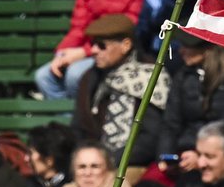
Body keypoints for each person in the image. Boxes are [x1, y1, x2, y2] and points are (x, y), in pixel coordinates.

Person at [72, 12, 169, 166]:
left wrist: (111, 161)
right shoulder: (90, 78)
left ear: (126, 45)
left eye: (101, 45)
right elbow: (79, 128)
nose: (94, 50)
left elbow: (151, 136)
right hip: (94, 165)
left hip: (134, 165)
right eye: (93, 44)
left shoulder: (150, 76)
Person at [160, 33, 224, 162]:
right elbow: (171, 123)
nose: (181, 51)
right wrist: (165, 156)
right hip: (184, 150)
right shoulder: (182, 76)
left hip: (219, 152)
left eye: (187, 46)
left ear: (206, 49)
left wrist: (200, 156)